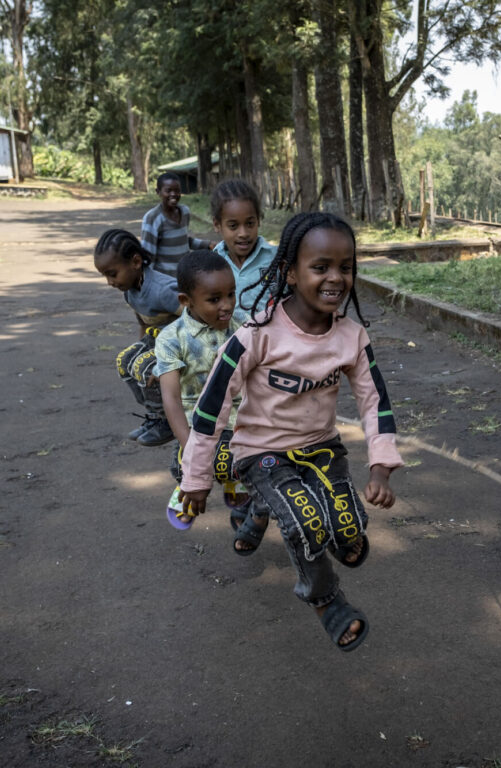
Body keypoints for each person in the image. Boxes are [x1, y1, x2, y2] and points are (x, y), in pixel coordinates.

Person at [179, 212, 402, 651]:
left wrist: (381, 466)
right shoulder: (255, 335)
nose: (335, 278)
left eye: (346, 267)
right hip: (261, 452)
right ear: (290, 272)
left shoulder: (353, 337)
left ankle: (307, 522)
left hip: (321, 448)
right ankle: (326, 601)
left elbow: (375, 400)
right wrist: (196, 477)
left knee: (347, 528)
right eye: (320, 267)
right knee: (307, 525)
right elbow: (212, 408)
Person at [154, 249, 267, 551]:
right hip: (196, 422)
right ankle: (186, 486)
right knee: (185, 468)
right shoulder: (171, 338)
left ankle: (233, 482)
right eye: (214, 299)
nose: (227, 305)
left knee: (242, 464)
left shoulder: (245, 325)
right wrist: (192, 450)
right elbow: (172, 399)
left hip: (241, 419)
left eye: (231, 294)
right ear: (185, 301)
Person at [94, 228, 180, 446]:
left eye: (112, 274)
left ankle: (168, 420)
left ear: (135, 261)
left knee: (144, 365)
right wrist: (141, 346)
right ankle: (154, 414)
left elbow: (196, 318)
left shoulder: (162, 290)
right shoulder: (130, 291)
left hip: (179, 342)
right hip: (157, 338)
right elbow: (143, 324)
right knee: (125, 361)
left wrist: (165, 360)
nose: (109, 282)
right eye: (105, 276)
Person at [211, 179, 278, 321]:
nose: (243, 233)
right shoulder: (212, 263)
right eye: (233, 226)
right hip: (228, 341)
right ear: (217, 225)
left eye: (250, 224)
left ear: (258, 220)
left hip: (269, 339)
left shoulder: (276, 259)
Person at [141, 172, 215, 278]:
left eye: (177, 190)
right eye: (168, 190)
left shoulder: (185, 212)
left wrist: (208, 244)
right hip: (163, 279)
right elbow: (147, 254)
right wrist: (147, 282)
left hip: (184, 275)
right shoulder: (153, 218)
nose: (173, 194)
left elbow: (183, 240)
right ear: (158, 192)